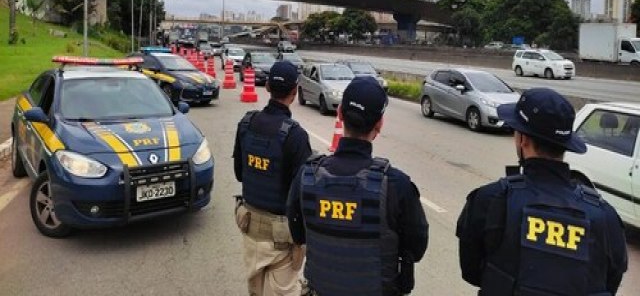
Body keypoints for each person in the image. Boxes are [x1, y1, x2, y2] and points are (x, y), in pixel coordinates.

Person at [456, 88, 628, 295]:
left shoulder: (491, 199)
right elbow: (610, 280)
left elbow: (471, 271)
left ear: (523, 140)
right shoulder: (605, 215)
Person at [287, 77, 428, 296]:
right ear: (379, 124)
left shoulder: (307, 175)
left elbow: (298, 234)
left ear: (340, 113)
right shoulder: (396, 185)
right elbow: (416, 249)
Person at [233, 60, 312, 296]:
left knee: (255, 291)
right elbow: (302, 195)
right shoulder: (295, 136)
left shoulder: (246, 124)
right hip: (281, 237)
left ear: (266, 86)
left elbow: (240, 173)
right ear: (294, 91)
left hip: (249, 229)